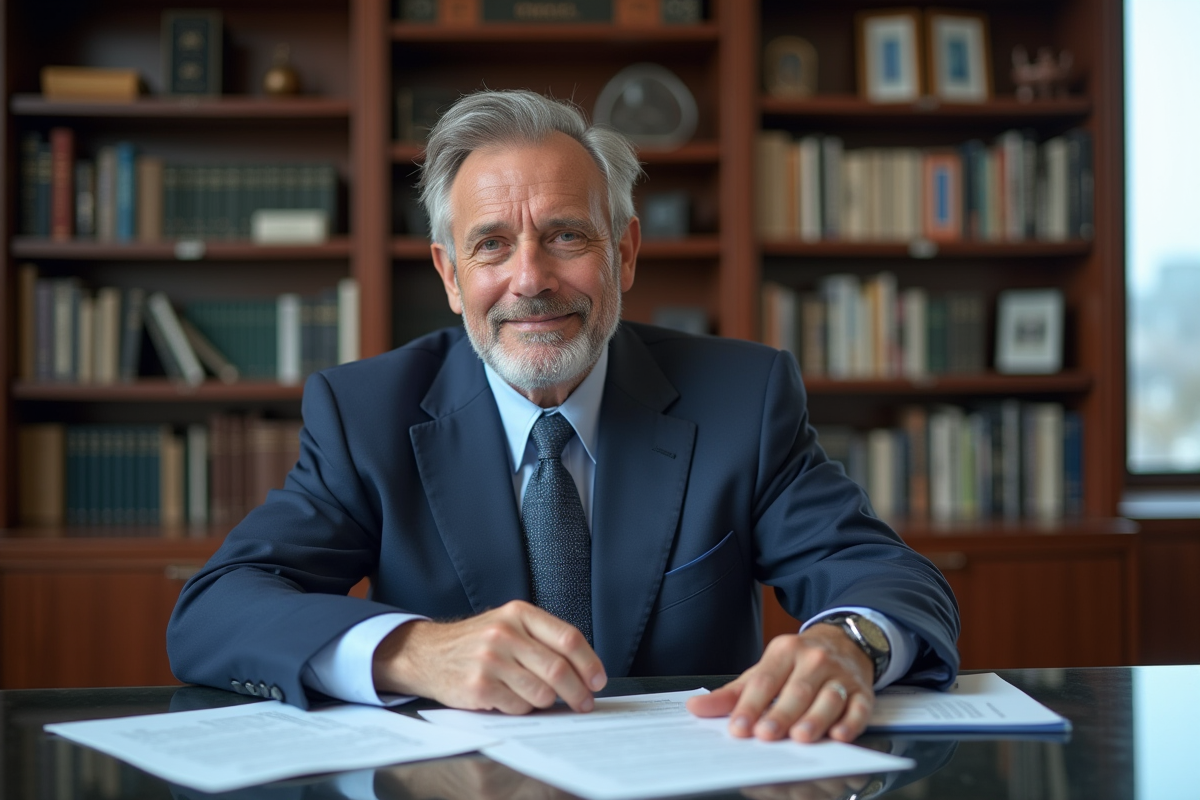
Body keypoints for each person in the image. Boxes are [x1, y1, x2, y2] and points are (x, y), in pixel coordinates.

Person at [167, 89, 958, 745]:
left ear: (625, 253)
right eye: (491, 245)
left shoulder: (740, 399)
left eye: (565, 236)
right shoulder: (365, 414)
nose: (530, 279)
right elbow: (214, 609)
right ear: (449, 274)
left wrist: (847, 644)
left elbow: (887, 577)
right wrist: (412, 651)